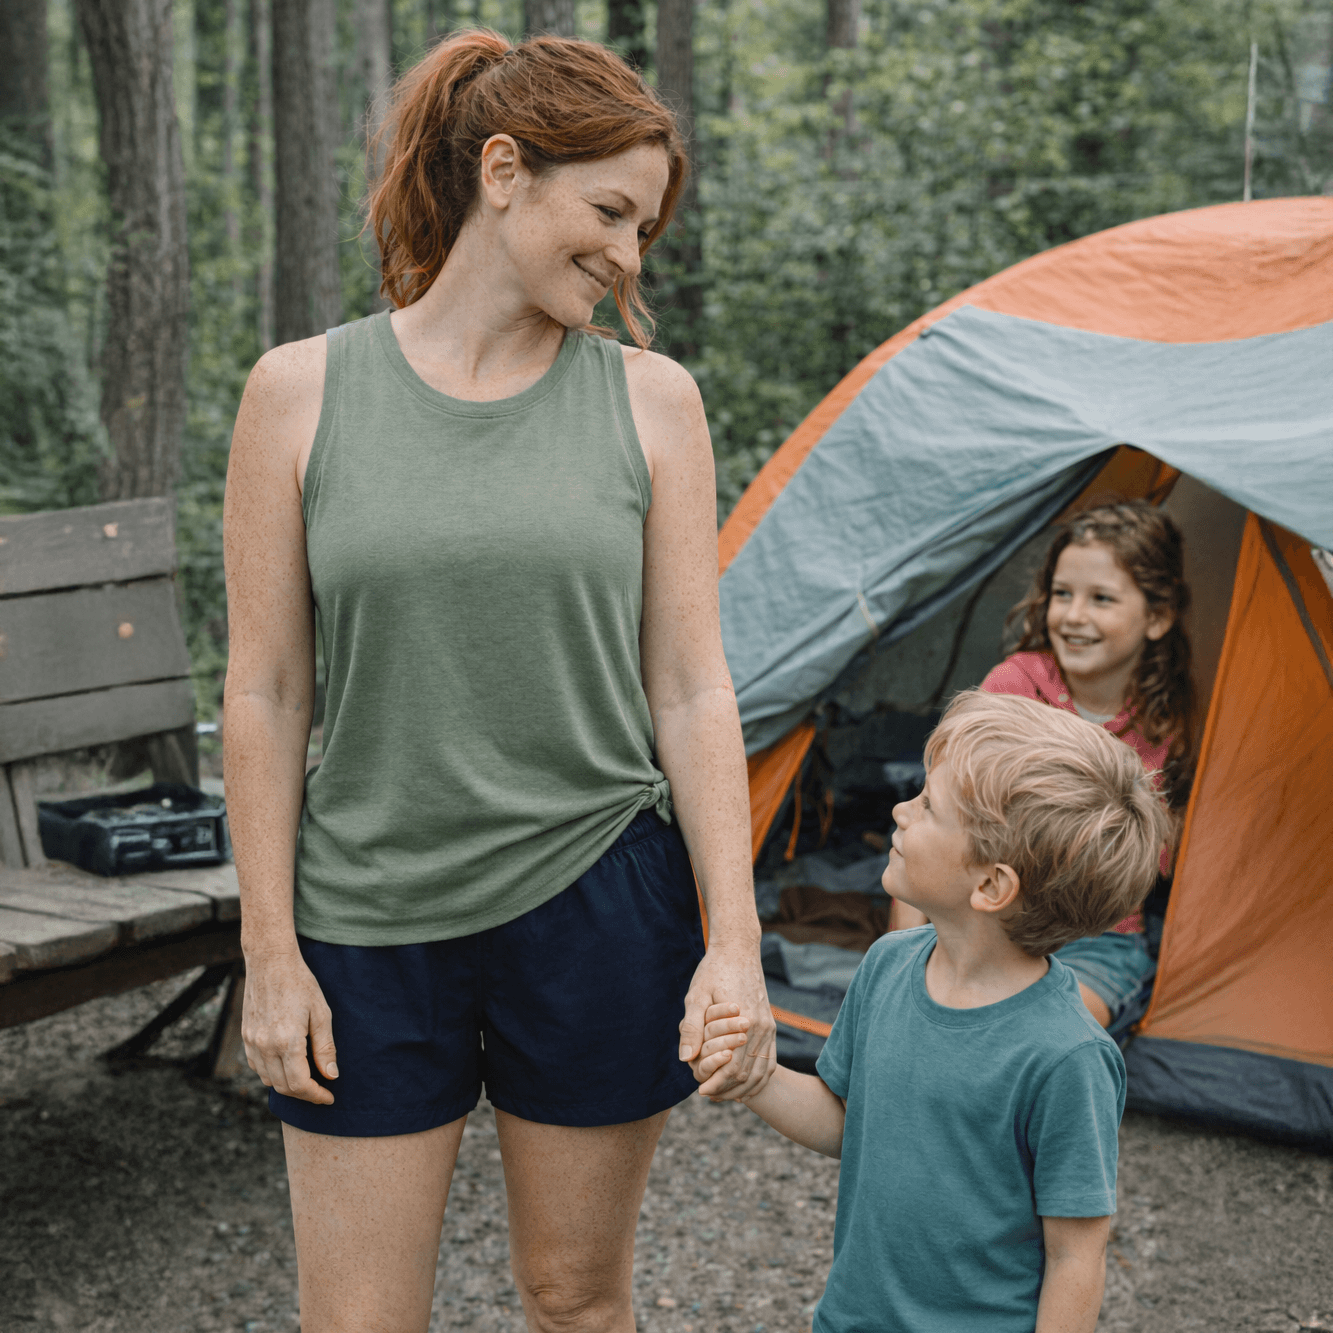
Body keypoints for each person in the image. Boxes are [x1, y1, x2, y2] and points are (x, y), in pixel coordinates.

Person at [222, 31, 774, 1333]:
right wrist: (266, 953)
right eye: (610, 212)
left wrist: (734, 943)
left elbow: (692, 688)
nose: (629, 257)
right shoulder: (298, 395)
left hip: (598, 904)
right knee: (355, 1319)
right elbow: (265, 691)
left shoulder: (653, 403)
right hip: (362, 912)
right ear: (505, 169)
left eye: (644, 229)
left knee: (576, 1296)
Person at [693, 690, 1172, 1333]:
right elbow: (846, 1121)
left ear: (992, 885)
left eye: (928, 806)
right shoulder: (888, 964)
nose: (899, 809)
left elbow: (1076, 1256)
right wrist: (760, 1079)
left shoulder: (1069, 1059)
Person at [890, 500, 1193, 1039]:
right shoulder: (1015, 687)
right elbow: (929, 819)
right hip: (986, 920)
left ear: (1157, 617)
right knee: (941, 1022)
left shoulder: (1167, 721)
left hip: (1101, 939)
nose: (1074, 616)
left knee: (1044, 1035)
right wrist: (893, 958)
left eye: (1101, 599)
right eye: (1062, 594)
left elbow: (1156, 861)